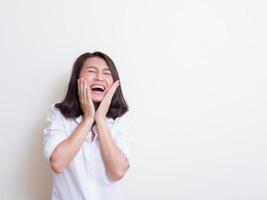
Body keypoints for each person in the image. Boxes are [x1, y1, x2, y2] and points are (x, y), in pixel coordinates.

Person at [43, 51, 134, 200]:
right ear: (77, 79)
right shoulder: (58, 114)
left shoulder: (121, 119)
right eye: (92, 71)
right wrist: (88, 119)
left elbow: (118, 172)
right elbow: (57, 163)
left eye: (106, 73)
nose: (99, 77)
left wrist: (100, 120)